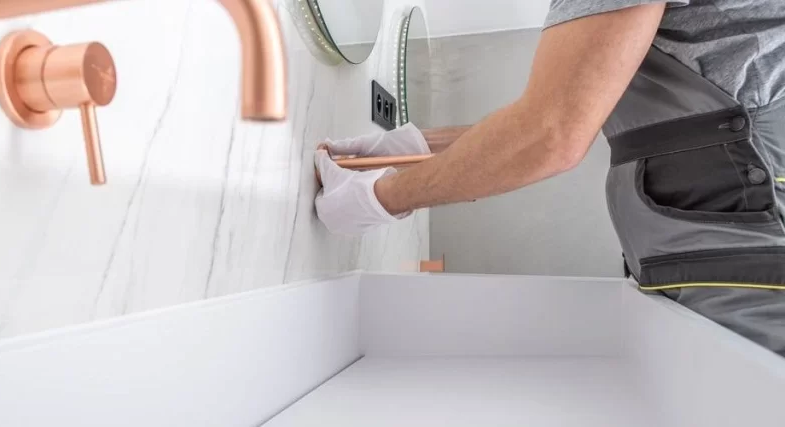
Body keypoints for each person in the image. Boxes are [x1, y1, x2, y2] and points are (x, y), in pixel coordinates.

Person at [315, 0, 785, 356]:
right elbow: (561, 120)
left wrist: (380, 199)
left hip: (748, 245)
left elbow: (551, 134)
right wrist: (416, 146)